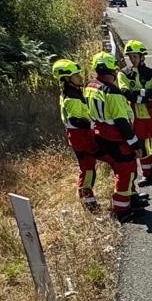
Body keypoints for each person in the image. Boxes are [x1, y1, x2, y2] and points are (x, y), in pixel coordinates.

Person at [86, 52, 145, 218]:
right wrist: (135, 145)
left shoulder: (91, 85)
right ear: (111, 70)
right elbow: (122, 122)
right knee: (125, 172)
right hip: (117, 138)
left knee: (128, 169)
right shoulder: (112, 92)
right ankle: (121, 210)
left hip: (101, 135)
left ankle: (131, 198)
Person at [52, 59, 98, 212]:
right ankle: (87, 201)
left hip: (81, 136)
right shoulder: (71, 97)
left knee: (89, 167)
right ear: (66, 78)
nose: (80, 77)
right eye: (75, 75)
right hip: (80, 137)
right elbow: (75, 119)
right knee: (87, 169)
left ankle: (88, 198)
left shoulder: (73, 91)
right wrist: (93, 125)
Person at [120, 41, 152, 187]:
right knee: (142, 147)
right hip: (137, 117)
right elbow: (126, 93)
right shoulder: (123, 74)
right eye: (130, 57)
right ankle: (147, 175)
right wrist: (145, 95)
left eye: (135, 56)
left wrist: (137, 95)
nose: (132, 60)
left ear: (142, 57)